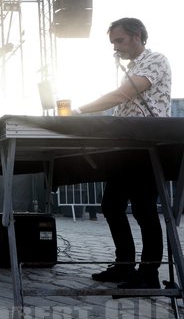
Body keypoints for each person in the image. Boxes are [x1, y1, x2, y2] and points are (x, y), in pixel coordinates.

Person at [72, 17, 171, 289]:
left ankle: (149, 274)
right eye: (113, 42)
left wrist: (80, 109)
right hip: (125, 147)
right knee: (111, 206)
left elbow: (122, 95)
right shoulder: (132, 66)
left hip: (146, 145)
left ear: (137, 35)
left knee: (144, 210)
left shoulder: (155, 60)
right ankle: (125, 265)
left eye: (120, 40)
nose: (116, 47)